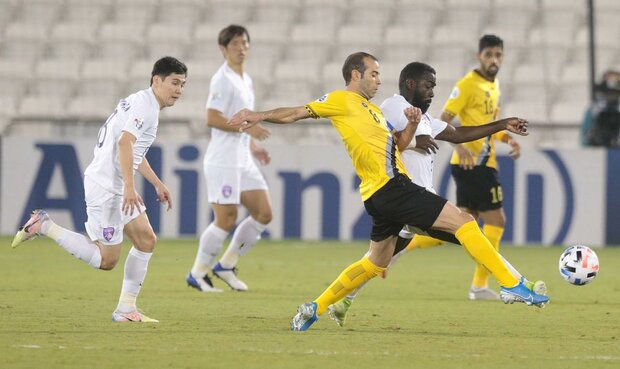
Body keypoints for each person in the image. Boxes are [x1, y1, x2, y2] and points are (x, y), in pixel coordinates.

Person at [227, 52, 549, 332]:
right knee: (465, 222)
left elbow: (396, 145)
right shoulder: (342, 100)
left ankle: (315, 307)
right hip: (394, 188)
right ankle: (511, 284)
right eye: (374, 73)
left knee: (374, 262)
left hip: (378, 196)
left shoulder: (374, 113)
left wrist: (411, 129)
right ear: (356, 75)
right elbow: (296, 113)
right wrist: (259, 115)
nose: (379, 80)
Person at [327, 61, 547, 327]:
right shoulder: (392, 106)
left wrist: (501, 124)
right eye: (428, 85)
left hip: (416, 202)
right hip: (407, 198)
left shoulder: (426, 119)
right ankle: (515, 283)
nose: (432, 92)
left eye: (434, 87)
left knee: (377, 260)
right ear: (411, 83)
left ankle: (339, 301)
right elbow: (379, 135)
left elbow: (459, 134)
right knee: (468, 231)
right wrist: (412, 137)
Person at [11, 56, 188, 322]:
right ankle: (45, 225)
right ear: (156, 80)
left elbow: (133, 149)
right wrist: (129, 187)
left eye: (183, 85)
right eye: (174, 83)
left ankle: (126, 310)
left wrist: (156, 183)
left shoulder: (141, 101)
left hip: (115, 185)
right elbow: (125, 144)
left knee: (146, 240)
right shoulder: (146, 109)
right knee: (107, 261)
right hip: (107, 187)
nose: (179, 90)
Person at [406, 35, 518, 301]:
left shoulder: (494, 85)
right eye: (489, 54)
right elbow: (444, 119)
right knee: (496, 220)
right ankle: (480, 285)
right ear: (479, 56)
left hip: (482, 163)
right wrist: (459, 146)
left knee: (458, 226)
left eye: (498, 55)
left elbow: (489, 122)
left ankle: (404, 244)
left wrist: (508, 138)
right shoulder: (468, 84)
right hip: (473, 165)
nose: (494, 60)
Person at [186, 25, 272, 293]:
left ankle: (226, 265)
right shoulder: (221, 79)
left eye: (244, 43)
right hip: (223, 159)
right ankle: (198, 273)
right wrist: (248, 127)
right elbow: (212, 118)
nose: (241, 48)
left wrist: (252, 143)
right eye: (235, 43)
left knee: (263, 213)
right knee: (226, 218)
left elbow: (237, 118)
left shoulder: (245, 80)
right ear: (222, 49)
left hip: (242, 157)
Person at [583, 70, 620, 147]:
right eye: (608, 93)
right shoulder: (594, 109)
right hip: (598, 148)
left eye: (615, 93)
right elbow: (585, 135)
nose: (612, 96)